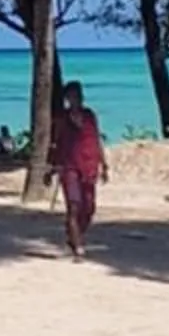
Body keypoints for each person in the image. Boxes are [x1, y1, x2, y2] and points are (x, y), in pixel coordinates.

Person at [48, 81, 107, 259]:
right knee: (74, 206)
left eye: (79, 95)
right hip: (69, 167)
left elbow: (97, 139)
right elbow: (54, 143)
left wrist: (104, 164)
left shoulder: (90, 115)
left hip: (89, 165)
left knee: (89, 208)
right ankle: (78, 246)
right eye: (72, 96)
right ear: (67, 98)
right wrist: (51, 167)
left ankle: (74, 235)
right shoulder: (61, 119)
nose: (77, 99)